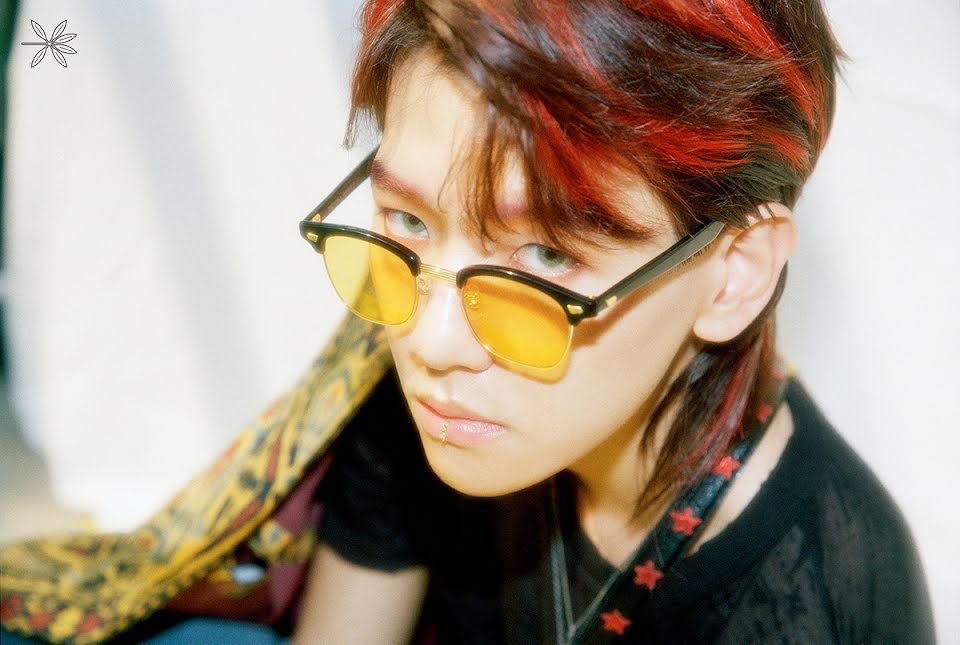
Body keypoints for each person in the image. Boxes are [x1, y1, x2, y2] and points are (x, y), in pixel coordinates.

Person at [0, 1, 935, 643]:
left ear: (733, 274)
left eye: (546, 256)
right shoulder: (423, 375)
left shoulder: (815, 595)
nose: (429, 342)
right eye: (408, 221)